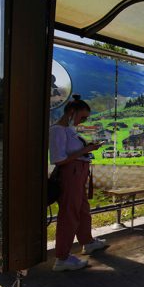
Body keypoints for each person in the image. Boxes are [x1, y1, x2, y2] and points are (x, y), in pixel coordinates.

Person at [49, 95, 108, 272]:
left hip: (78, 175)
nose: (84, 121)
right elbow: (59, 160)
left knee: (82, 210)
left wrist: (86, 149)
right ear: (72, 112)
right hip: (70, 176)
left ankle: (87, 241)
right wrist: (86, 149)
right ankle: (62, 258)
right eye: (82, 117)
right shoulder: (57, 130)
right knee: (69, 214)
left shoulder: (69, 130)